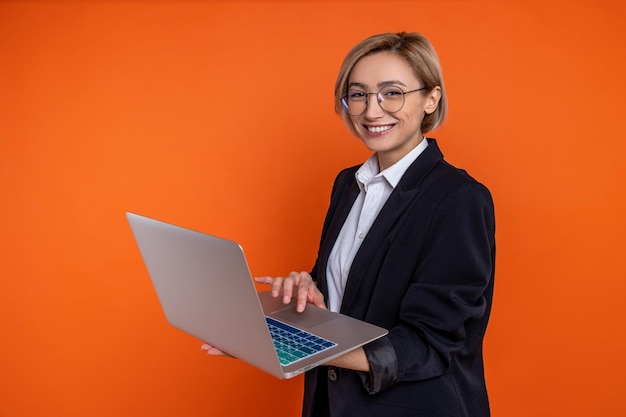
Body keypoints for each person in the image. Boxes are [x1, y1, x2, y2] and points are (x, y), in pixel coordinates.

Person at [202, 31, 496, 417]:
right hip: (334, 404)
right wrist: (310, 296)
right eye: (358, 94)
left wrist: (288, 345)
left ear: (431, 98)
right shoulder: (348, 184)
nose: (372, 111)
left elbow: (430, 344)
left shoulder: (459, 199)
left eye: (392, 92)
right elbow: (355, 293)